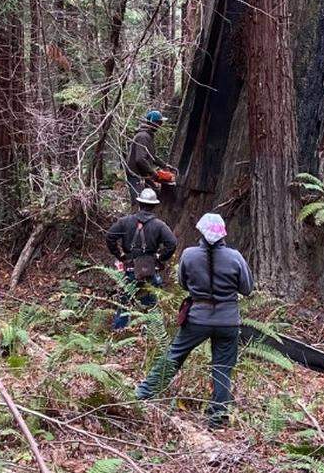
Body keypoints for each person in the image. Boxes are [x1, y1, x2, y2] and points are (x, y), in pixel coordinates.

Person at [136, 213, 253, 428]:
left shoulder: (189, 255)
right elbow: (247, 289)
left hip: (197, 318)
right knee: (222, 367)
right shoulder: (235, 257)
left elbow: (182, 284)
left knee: (175, 355)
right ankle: (217, 418)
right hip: (228, 322)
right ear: (222, 234)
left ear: (200, 231)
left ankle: (142, 394)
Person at [105, 187, 178, 330]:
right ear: (154, 206)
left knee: (125, 303)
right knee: (151, 306)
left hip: (130, 269)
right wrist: (160, 257)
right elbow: (172, 243)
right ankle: (151, 336)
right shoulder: (160, 225)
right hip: (150, 270)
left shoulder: (125, 222)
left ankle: (119, 333)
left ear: (139, 204)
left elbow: (110, 237)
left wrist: (119, 255)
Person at [125, 110, 171, 200]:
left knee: (153, 195)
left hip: (143, 173)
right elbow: (140, 160)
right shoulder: (143, 136)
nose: (160, 125)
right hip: (136, 175)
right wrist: (154, 173)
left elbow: (152, 156)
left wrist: (164, 165)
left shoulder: (148, 136)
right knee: (138, 200)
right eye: (159, 122)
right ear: (153, 123)